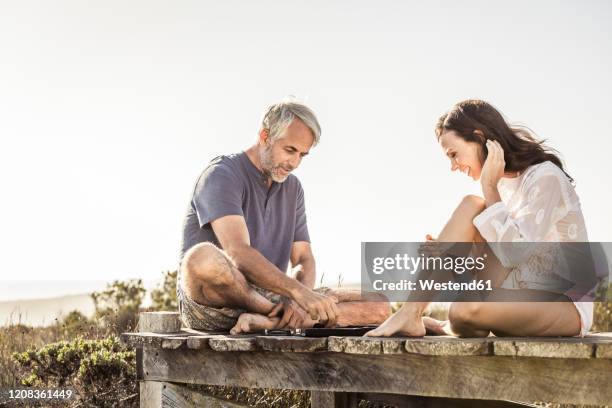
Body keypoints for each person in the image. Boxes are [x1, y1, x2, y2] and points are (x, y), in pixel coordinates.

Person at [366, 99, 592, 338]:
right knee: (471, 206)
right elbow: (503, 259)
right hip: (517, 288)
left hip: (564, 301)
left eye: (453, 154)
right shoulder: (504, 185)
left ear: (478, 137)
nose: (453, 166)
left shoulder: (545, 177)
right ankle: (411, 313)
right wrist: (451, 254)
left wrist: (489, 186)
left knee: (463, 312)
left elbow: (516, 254)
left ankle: (447, 323)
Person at [178, 100, 390, 334]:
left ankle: (274, 320)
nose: (295, 163)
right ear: (265, 136)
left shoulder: (293, 189)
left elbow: (302, 259)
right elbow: (238, 253)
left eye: (303, 155)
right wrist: (299, 294)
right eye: (290, 150)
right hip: (214, 305)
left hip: (276, 296)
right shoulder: (221, 175)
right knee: (200, 258)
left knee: (379, 303)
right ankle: (276, 315)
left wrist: (300, 302)